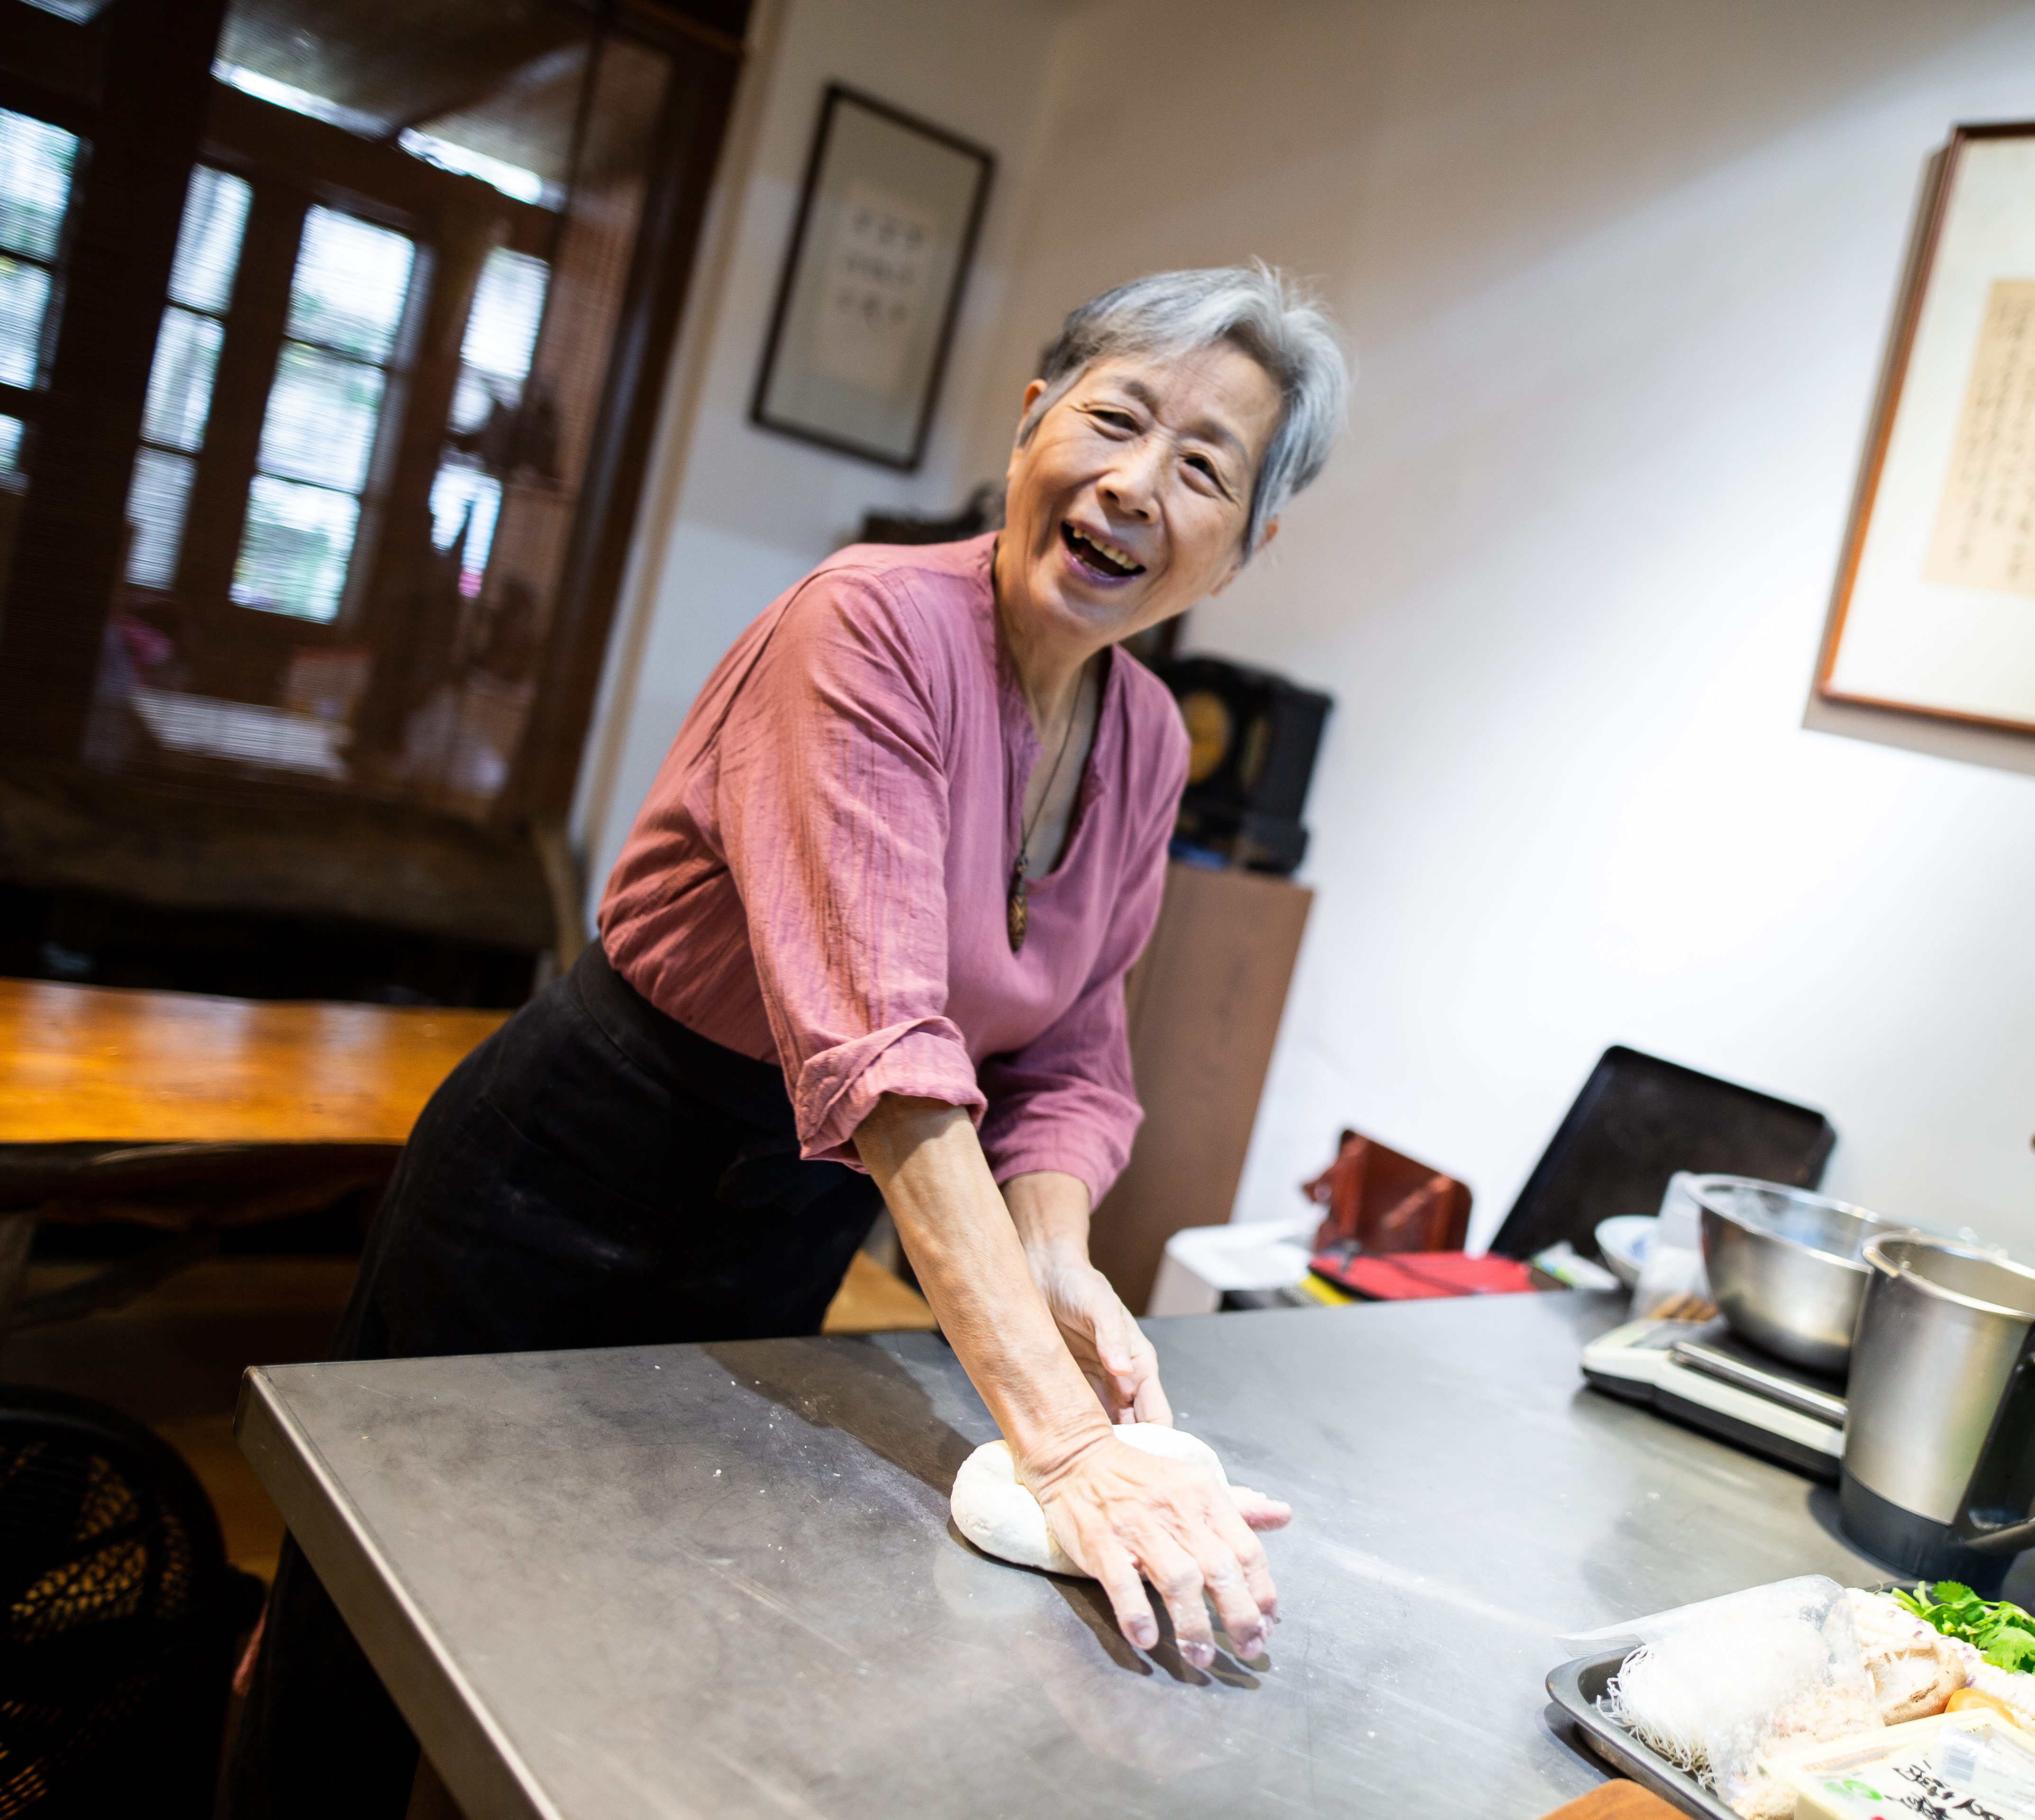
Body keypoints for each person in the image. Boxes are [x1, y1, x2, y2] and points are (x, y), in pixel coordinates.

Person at [226, 264, 1351, 1815]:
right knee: (361, 1640)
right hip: (563, 1180)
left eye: (1204, 467)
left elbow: (1072, 1059)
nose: (1133, 485)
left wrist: (1059, 1256)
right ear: (1032, 424)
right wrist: (1073, 1451)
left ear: (1243, 549)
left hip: (782, 1228)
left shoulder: (1149, 741)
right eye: (1113, 419)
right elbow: (885, 1054)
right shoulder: (867, 625)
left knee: (613, 1639)